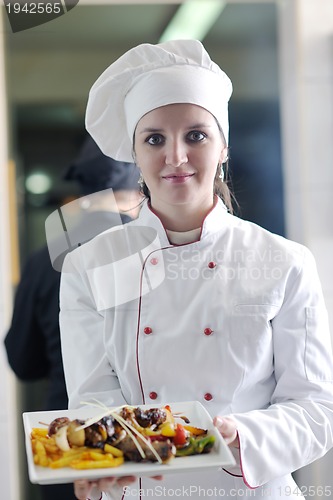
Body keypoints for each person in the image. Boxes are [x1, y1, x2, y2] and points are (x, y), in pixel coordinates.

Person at [59, 40, 333, 500]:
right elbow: (93, 403)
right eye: (154, 139)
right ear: (135, 155)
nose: (176, 157)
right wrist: (92, 462)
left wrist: (239, 434)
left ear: (223, 147)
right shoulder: (89, 266)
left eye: (196, 135)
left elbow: (316, 410)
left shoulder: (284, 261)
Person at [4, 135, 141, 500]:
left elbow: (22, 361)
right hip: (141, 444)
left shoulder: (41, 258)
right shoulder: (155, 251)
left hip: (67, 444)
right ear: (140, 188)